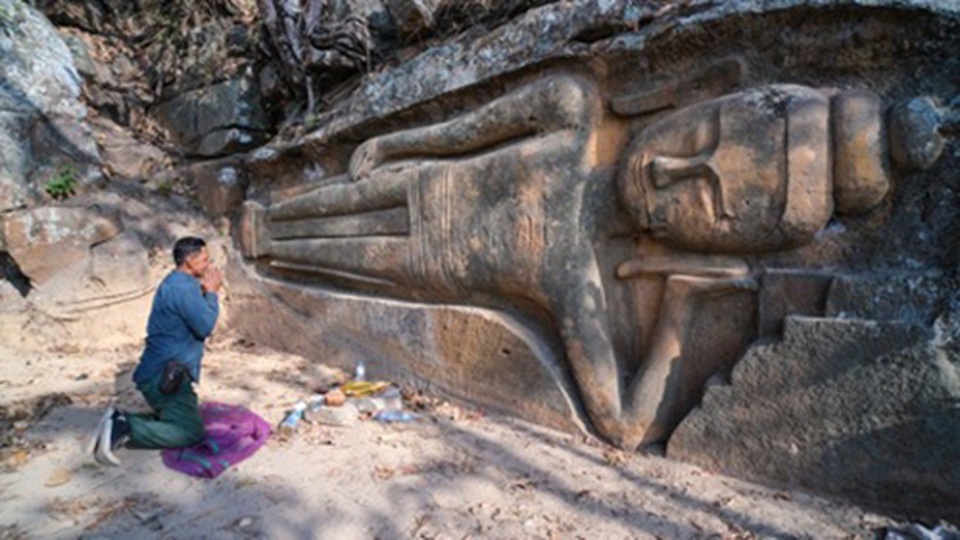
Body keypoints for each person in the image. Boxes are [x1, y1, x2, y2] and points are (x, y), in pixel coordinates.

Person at [87, 237, 223, 465]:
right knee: (189, 432)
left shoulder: (174, 282)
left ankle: (117, 420)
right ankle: (124, 426)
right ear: (189, 260)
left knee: (182, 417)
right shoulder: (184, 288)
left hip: (157, 373)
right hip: (165, 378)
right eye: (205, 259)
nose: (209, 265)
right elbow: (205, 326)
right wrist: (211, 293)